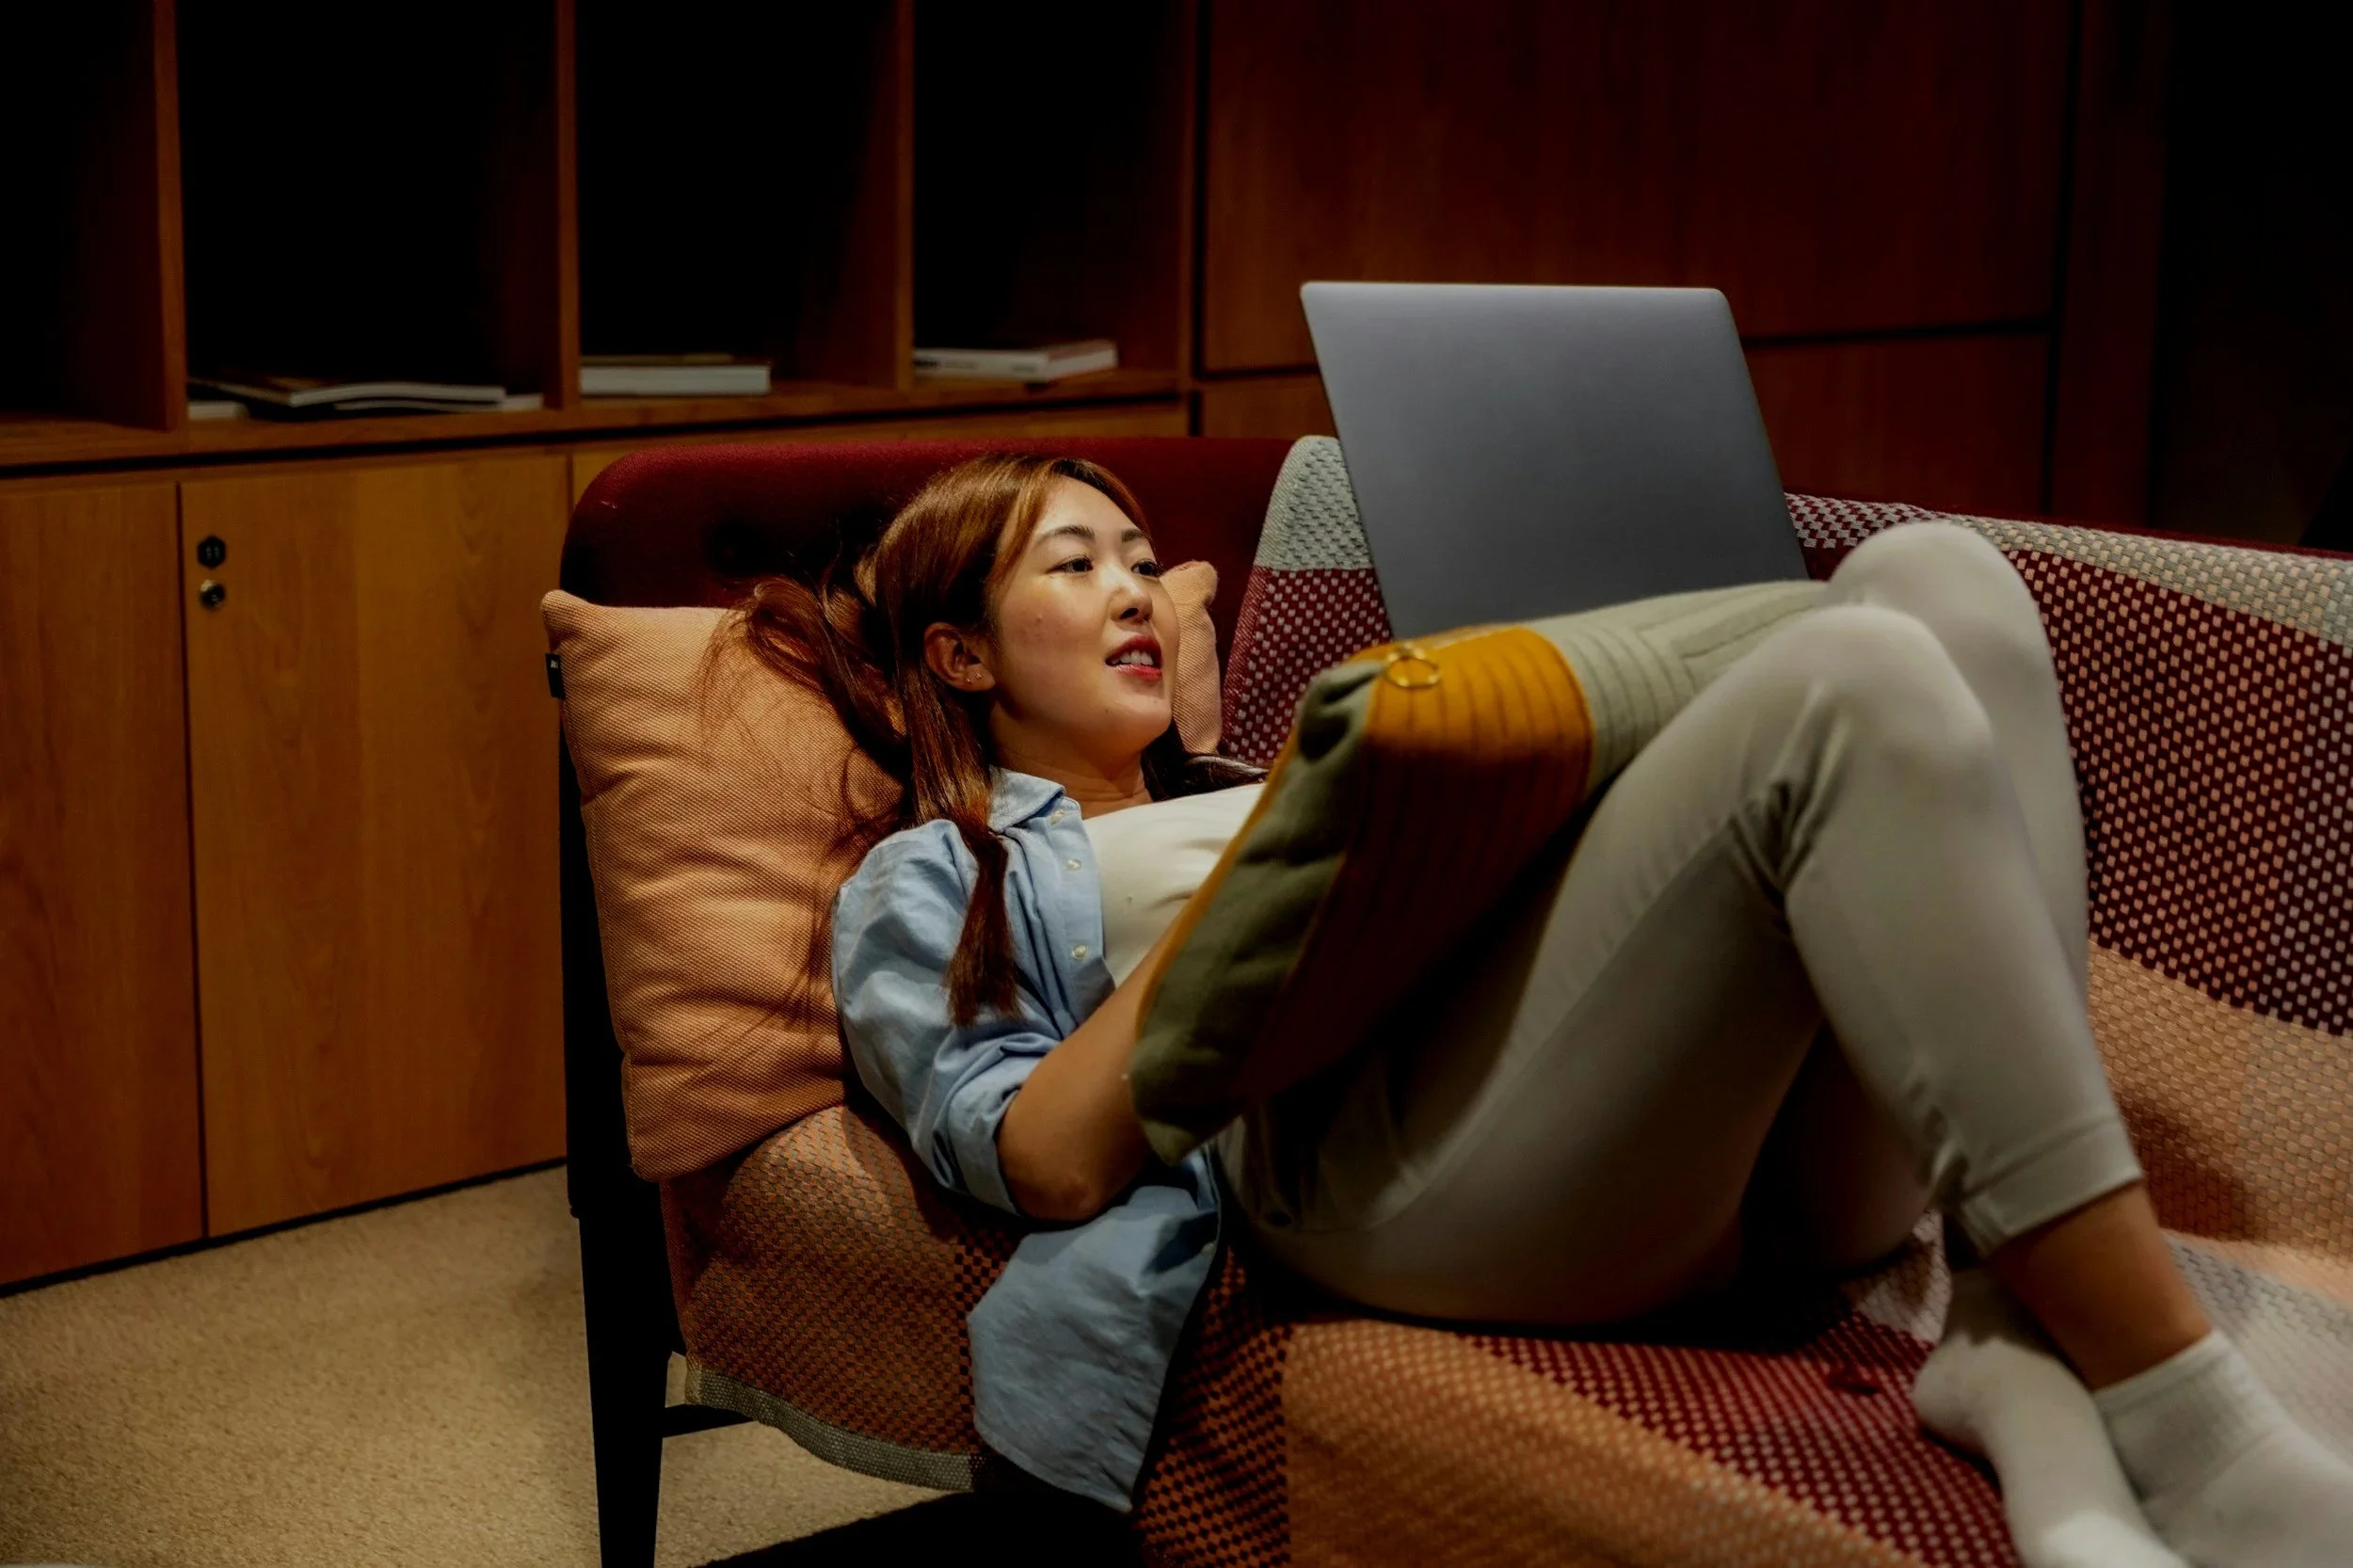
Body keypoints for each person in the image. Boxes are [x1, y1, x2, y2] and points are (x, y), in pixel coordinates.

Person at [741, 451, 2353, 1568]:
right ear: (958, 652)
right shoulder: (937, 879)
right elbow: (1040, 1159)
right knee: (1845, 675)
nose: (1139, 590)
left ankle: (2008, 1330)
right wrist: (1276, 868)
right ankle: (2185, 1411)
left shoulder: (1251, 788)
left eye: (1148, 562)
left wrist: (1300, 796)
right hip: (1374, 1182)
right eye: (1076, 564)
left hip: (1710, 1141)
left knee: (1941, 582)